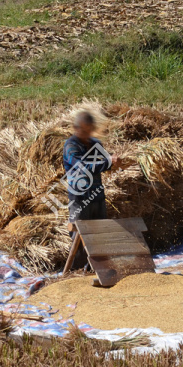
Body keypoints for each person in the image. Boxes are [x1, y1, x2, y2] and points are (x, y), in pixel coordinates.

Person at [63, 111, 127, 272]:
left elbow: (104, 163)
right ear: (76, 128)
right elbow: (83, 168)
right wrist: (108, 163)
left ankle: (96, 270)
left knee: (99, 235)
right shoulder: (70, 146)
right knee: (80, 237)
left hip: (97, 196)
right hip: (79, 198)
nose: (87, 134)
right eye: (84, 131)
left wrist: (117, 163)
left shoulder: (95, 144)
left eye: (89, 131)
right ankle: (75, 273)